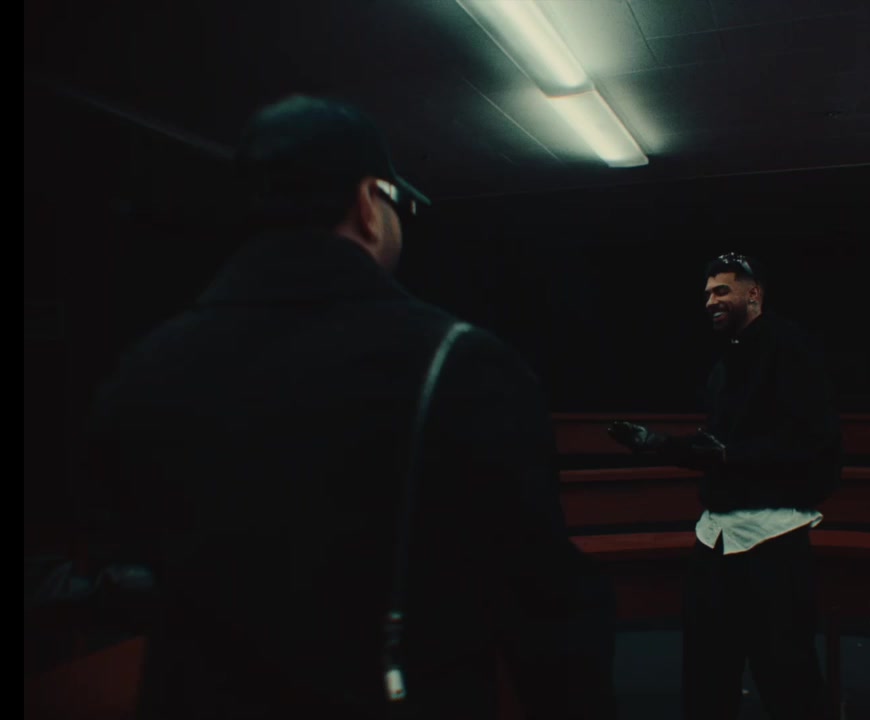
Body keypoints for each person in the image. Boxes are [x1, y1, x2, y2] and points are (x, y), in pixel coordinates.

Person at [85, 94, 616, 720]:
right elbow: (547, 613)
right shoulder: (461, 364)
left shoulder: (144, 367)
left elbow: (126, 570)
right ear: (368, 203)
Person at [609, 253, 841, 720]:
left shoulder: (791, 349)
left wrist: (729, 456)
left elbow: (813, 445)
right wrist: (660, 446)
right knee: (706, 676)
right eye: (706, 294)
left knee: (788, 679)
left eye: (721, 291)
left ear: (753, 293)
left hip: (772, 536)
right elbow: (715, 446)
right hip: (715, 535)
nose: (710, 301)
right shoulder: (726, 363)